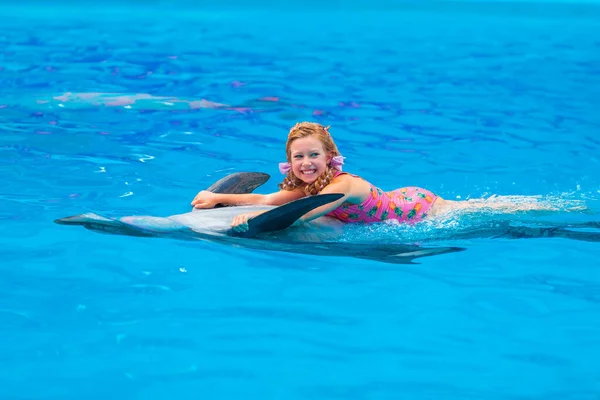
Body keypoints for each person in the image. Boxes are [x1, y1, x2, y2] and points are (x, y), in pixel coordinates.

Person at [191, 122, 559, 233]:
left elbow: (302, 214)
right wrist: (219, 199)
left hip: (414, 207)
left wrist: (251, 220)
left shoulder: (341, 185)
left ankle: (550, 209)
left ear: (330, 157)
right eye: (298, 157)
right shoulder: (309, 185)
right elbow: (274, 201)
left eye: (313, 155)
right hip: (392, 202)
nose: (306, 163)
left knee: (488, 212)